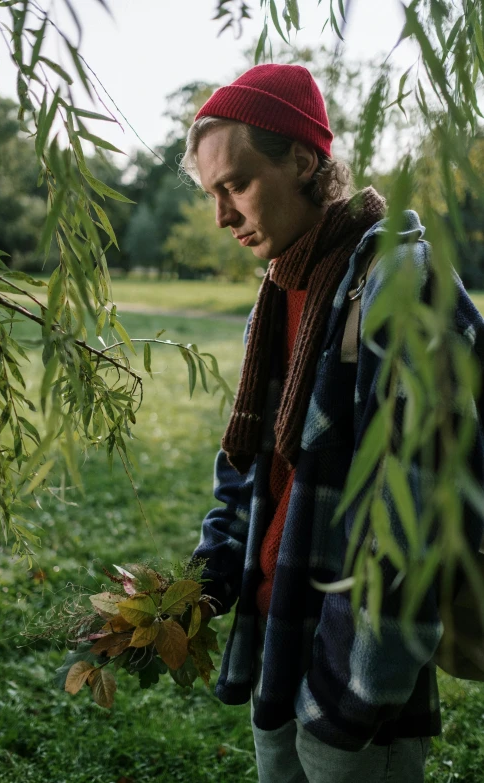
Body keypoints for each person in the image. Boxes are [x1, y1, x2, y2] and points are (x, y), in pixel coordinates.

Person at [181, 64, 484, 783]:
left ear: (304, 160)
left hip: (348, 677)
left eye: (237, 185)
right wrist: (203, 582)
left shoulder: (400, 285)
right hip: (276, 643)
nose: (222, 217)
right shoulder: (285, 285)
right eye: (212, 194)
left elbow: (424, 515)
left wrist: (357, 690)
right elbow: (250, 467)